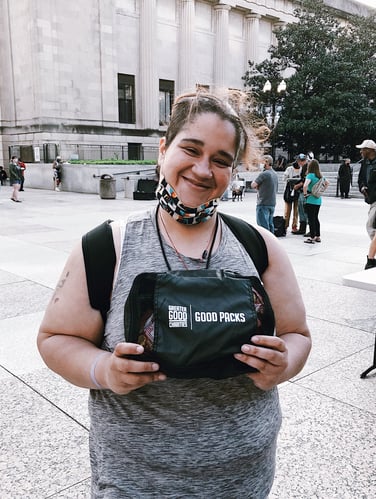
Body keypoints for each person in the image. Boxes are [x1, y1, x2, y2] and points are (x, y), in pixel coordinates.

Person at [37, 90, 311, 498]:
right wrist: (106, 371)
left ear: (233, 170)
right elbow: (55, 339)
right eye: (191, 149)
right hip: (137, 481)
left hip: (243, 479)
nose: (203, 169)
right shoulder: (106, 246)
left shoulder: (260, 246)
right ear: (164, 148)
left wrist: (282, 364)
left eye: (221, 160)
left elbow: (298, 335)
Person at [357, 139, 376, 270]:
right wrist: (363, 187)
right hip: (371, 199)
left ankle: (370, 259)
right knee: (371, 228)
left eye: (363, 149)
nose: (361, 151)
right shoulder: (364, 163)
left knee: (371, 226)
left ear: (370, 150)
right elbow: (360, 179)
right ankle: (371, 257)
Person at [303, 159, 329, 244]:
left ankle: (312, 237)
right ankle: (318, 236)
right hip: (318, 200)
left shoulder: (310, 175)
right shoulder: (320, 176)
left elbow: (305, 185)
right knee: (316, 218)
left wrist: (305, 194)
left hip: (310, 199)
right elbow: (327, 183)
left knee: (311, 219)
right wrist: (321, 191)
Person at [251, 154, 278, 233]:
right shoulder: (274, 174)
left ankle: (265, 244)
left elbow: (253, 185)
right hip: (272, 203)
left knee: (263, 228)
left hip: (263, 203)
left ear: (266, 162)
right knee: (270, 225)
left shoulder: (264, 174)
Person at [290, 153, 309, 235]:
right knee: (301, 210)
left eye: (298, 161)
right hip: (302, 191)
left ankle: (309, 229)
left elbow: (305, 180)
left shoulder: (307, 167)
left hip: (305, 192)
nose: (298, 163)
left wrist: (297, 185)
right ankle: (302, 228)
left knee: (306, 210)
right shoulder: (304, 167)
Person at [283, 161, 302, 232]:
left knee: (296, 210)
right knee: (287, 210)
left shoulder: (301, 169)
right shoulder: (289, 169)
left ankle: (294, 225)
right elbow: (284, 178)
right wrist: (290, 180)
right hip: (289, 191)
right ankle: (285, 225)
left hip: (298, 191)